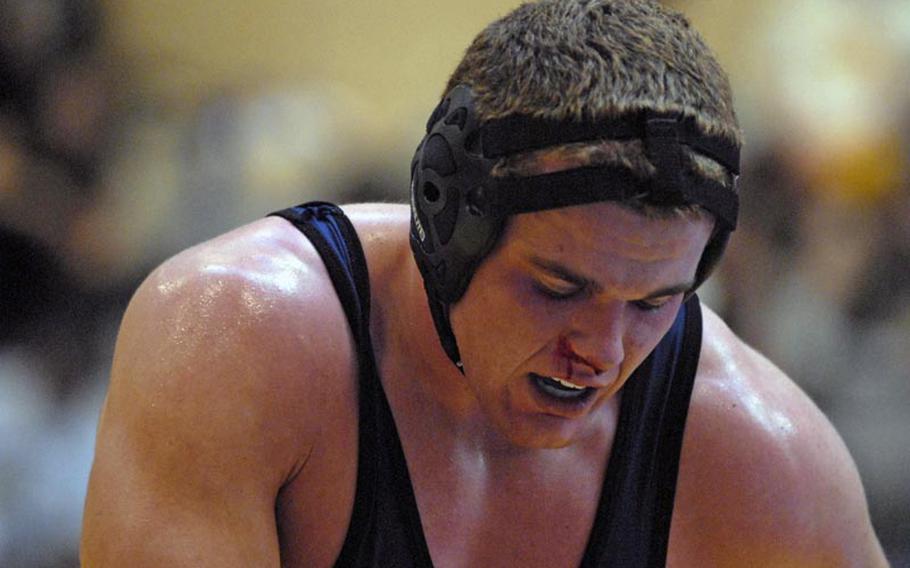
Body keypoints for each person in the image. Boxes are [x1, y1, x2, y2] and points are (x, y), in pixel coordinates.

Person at [81, 1, 889, 566]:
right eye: (557, 287)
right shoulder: (236, 339)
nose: (599, 355)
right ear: (444, 220)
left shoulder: (760, 453)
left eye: (652, 305)